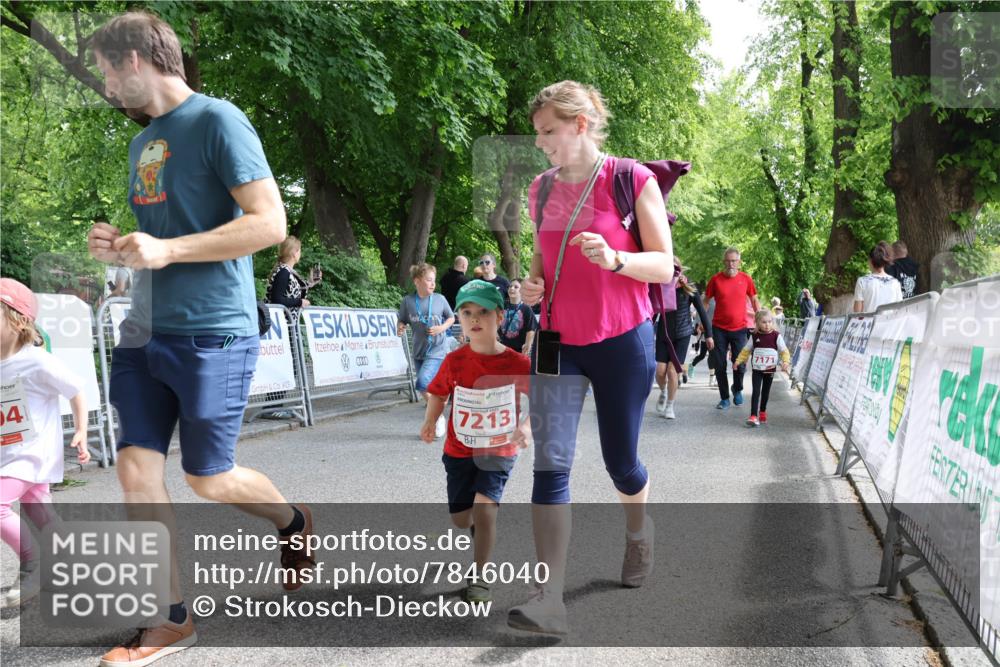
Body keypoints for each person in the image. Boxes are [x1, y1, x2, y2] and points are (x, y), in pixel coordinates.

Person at [86, 13, 316, 665]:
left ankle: (293, 521)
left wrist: (170, 248)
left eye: (106, 70)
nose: (105, 85)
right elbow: (156, 239)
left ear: (134, 58)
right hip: (142, 331)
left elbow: (269, 223)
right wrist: (120, 246)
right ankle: (170, 618)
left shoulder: (218, 120)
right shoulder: (142, 143)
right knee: (135, 467)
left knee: (207, 478)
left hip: (213, 329)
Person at [509, 80, 675, 635]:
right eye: (537, 133)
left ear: (580, 125)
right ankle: (549, 596)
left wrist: (616, 259)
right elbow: (541, 259)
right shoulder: (540, 190)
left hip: (622, 341)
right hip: (558, 341)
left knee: (619, 462)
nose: (541, 143)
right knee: (550, 465)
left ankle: (638, 531)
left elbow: (663, 266)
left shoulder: (630, 179)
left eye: (548, 131)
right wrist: (531, 285)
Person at [421, 280, 530, 603]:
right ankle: (476, 529)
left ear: (500, 317)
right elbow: (439, 393)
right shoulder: (455, 361)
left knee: (485, 511)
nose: (474, 319)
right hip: (459, 450)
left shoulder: (517, 364)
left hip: (498, 450)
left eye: (483, 312)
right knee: (461, 518)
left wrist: (527, 426)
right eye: (467, 313)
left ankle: (480, 574)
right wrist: (430, 419)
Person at [0, 279, 91, 608]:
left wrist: (81, 430)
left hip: (31, 454)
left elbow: (76, 391)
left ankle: (34, 564)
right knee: (43, 516)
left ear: (18, 320)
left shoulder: (37, 360)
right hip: (10, 453)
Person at [397, 263, 455, 438]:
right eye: (429, 280)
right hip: (419, 351)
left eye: (434, 281)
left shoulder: (439, 299)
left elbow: (451, 318)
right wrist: (400, 327)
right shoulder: (408, 302)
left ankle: (438, 417)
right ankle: (436, 416)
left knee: (422, 382)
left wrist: (441, 328)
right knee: (425, 387)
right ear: (417, 281)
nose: (432, 284)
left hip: (437, 350)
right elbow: (402, 320)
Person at [704, 247, 760, 411]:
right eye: (728, 261)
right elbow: (705, 301)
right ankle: (724, 398)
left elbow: (755, 300)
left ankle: (737, 389)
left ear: (739, 262)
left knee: (740, 363)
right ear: (724, 262)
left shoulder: (746, 279)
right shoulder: (715, 280)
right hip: (719, 328)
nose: (731, 264)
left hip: (740, 328)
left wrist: (761, 320)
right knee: (720, 364)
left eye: (734, 260)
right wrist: (702, 323)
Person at [654, 263, 712, 420]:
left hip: (682, 334)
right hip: (664, 333)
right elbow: (653, 311)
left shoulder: (688, 286)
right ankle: (664, 391)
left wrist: (709, 335)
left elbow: (702, 311)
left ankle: (670, 406)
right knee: (660, 372)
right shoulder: (659, 285)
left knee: (672, 371)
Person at [734, 308, 791, 427]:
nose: (767, 325)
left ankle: (762, 411)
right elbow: (746, 350)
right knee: (755, 391)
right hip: (757, 369)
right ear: (757, 323)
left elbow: (784, 351)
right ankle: (753, 415)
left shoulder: (776, 336)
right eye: (764, 322)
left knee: (765, 392)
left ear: (773, 322)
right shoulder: (754, 336)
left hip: (769, 370)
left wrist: (785, 361)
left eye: (769, 322)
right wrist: (738, 361)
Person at [265, 235, 321, 321]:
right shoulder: (284, 272)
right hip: (283, 324)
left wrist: (311, 282)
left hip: (287, 323)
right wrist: (300, 302)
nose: (300, 254)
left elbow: (292, 292)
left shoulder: (288, 271)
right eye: (299, 251)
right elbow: (277, 299)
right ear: (294, 253)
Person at [854, 244, 902, 312]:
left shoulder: (862, 281)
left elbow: (857, 313)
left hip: (870, 322)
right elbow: (899, 310)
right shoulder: (895, 282)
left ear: (870, 261)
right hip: (890, 322)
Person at [500, 278, 537, 355]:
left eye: (516, 287)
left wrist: (528, 344)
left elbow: (531, 329)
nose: (512, 288)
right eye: (510, 286)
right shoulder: (502, 306)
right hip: (501, 348)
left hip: (518, 350)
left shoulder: (526, 308)